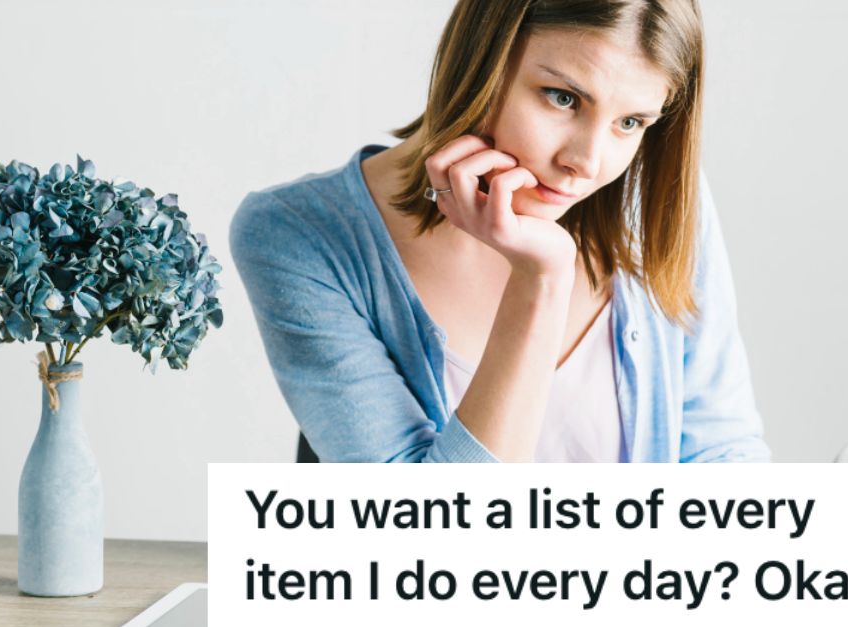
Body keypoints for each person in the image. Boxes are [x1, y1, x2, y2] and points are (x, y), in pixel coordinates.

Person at [229, 0, 771, 463]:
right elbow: (424, 531)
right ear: (482, 58)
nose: (586, 162)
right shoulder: (297, 236)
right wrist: (542, 281)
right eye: (563, 97)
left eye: (630, 123)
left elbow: (724, 456)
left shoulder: (656, 201)